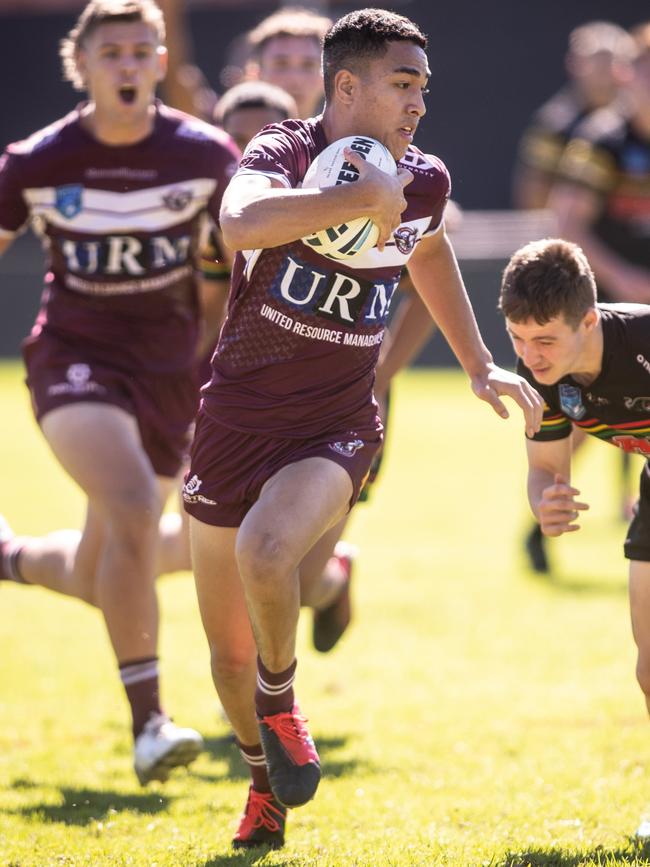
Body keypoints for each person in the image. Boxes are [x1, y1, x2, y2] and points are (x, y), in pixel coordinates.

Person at [184, 7, 543, 849]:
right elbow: (239, 226)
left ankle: (283, 700)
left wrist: (478, 361)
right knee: (226, 656)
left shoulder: (424, 178)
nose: (419, 104)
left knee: (269, 552)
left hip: (337, 423)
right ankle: (262, 777)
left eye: (424, 87)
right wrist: (351, 198)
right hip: (233, 418)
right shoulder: (279, 150)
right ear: (346, 86)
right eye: (402, 85)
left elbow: (427, 250)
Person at [0, 0, 240, 785]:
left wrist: (221, 355)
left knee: (108, 560)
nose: (130, 66)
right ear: (83, 66)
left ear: (163, 61)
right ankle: (150, 725)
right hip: (73, 360)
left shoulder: (207, 156)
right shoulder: (36, 161)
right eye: (113, 54)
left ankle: (7, 557)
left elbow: (230, 270)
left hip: (168, 372)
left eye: (144, 52)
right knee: (138, 508)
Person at [498, 237, 650, 837]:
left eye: (544, 340)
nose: (529, 356)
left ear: (588, 320)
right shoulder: (540, 375)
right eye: (516, 337)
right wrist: (547, 505)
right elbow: (544, 470)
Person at [512, 20, 636, 574]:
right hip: (604, 300)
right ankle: (543, 514)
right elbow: (564, 218)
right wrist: (626, 282)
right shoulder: (601, 139)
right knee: (585, 414)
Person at [245, 6, 332, 121]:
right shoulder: (229, 137)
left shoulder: (352, 136)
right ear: (256, 72)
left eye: (308, 65)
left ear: (328, 74)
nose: (295, 79)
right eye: (281, 65)